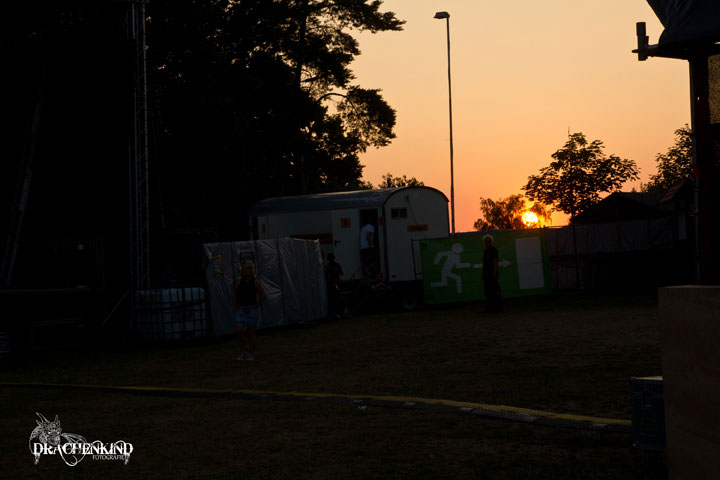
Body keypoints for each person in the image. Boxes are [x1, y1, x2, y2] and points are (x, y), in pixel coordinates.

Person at [233, 262, 265, 360]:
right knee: (239, 331)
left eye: (251, 268)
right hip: (241, 309)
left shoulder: (256, 282)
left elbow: (262, 294)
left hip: (251, 309)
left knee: (251, 332)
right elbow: (235, 294)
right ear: (243, 271)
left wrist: (256, 305)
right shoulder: (239, 282)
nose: (249, 270)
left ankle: (251, 354)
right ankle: (242, 353)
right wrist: (235, 304)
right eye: (247, 268)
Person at [482, 234, 503, 313]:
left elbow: (495, 262)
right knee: (488, 291)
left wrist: (494, 272)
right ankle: (489, 308)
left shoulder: (494, 250)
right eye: (486, 241)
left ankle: (497, 308)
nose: (487, 243)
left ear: (491, 242)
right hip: (486, 273)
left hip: (492, 273)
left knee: (494, 290)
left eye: (488, 241)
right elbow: (484, 263)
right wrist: (483, 273)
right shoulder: (485, 251)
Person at [324, 252, 346, 318]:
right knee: (335, 298)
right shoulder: (328, 266)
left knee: (338, 298)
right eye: (330, 258)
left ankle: (339, 312)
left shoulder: (335, 265)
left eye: (332, 258)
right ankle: (337, 312)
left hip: (336, 283)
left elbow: (341, 273)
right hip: (332, 284)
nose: (331, 259)